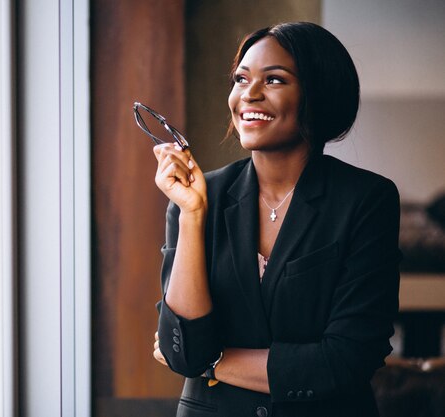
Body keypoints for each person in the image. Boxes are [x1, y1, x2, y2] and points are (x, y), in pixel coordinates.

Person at [151, 22, 401, 417]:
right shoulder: (200, 198)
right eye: (241, 78)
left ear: (316, 93)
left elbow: (348, 358)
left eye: (274, 79)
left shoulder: (367, 200)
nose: (249, 94)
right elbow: (182, 348)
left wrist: (213, 362)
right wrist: (192, 215)